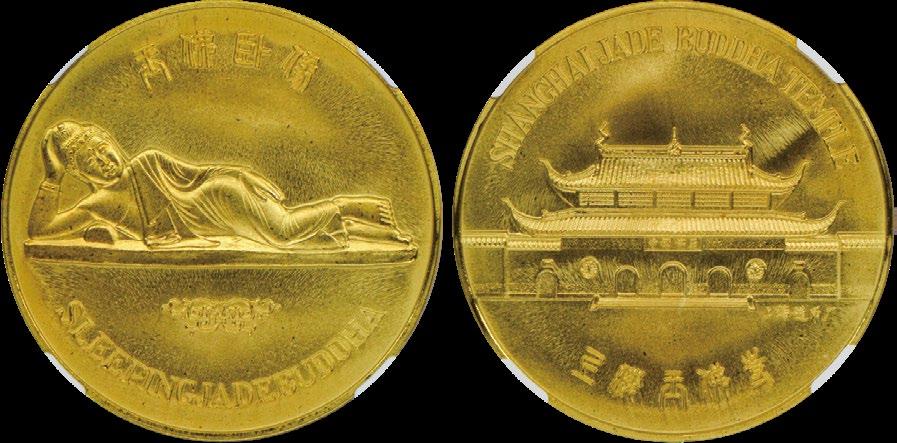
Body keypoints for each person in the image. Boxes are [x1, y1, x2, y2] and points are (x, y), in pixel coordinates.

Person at [29, 121, 411, 250]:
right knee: (307, 241)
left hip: (220, 197)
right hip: (214, 221)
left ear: (113, 142)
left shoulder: (147, 162)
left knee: (284, 232)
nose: (106, 160)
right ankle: (376, 232)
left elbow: (203, 174)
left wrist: (244, 176)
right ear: (81, 172)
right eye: (92, 160)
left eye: (105, 149)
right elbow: (40, 230)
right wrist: (52, 176)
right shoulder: (98, 204)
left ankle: (352, 207)